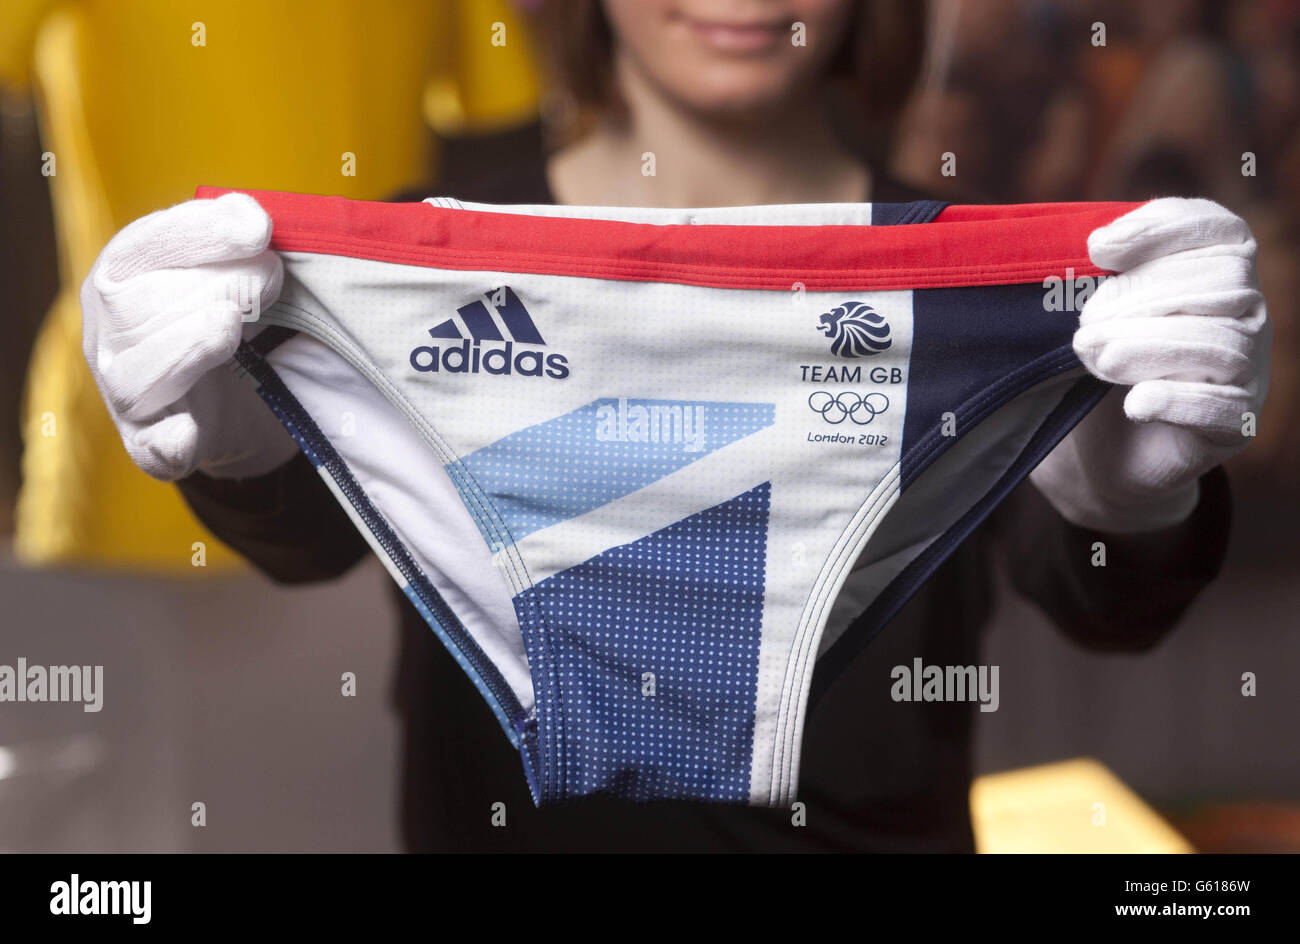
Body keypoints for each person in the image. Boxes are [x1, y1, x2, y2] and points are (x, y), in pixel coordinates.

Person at [79, 0, 1267, 851]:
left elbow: (1099, 599)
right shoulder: (421, 233)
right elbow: (310, 538)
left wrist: (1128, 499)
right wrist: (239, 437)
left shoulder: (957, 265)